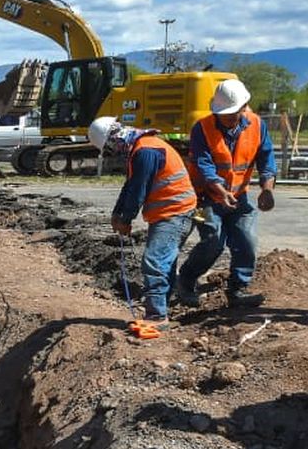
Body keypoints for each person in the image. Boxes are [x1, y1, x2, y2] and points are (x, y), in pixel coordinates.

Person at [176, 79, 276, 308]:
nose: (229, 117)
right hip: (203, 199)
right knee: (212, 241)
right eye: (225, 113)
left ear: (244, 107)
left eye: (234, 112)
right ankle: (186, 280)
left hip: (239, 196)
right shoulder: (202, 128)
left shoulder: (257, 126)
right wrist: (220, 191)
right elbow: (204, 164)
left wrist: (267, 189)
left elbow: (266, 159)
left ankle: (237, 289)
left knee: (247, 240)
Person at [91, 117, 197, 329]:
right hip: (171, 212)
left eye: (110, 149)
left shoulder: (146, 151)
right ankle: (160, 310)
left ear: (114, 139)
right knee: (164, 262)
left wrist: (126, 219)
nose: (114, 153)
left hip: (175, 212)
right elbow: (130, 185)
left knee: (155, 261)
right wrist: (117, 213)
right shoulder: (141, 147)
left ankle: (157, 316)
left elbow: (139, 190)